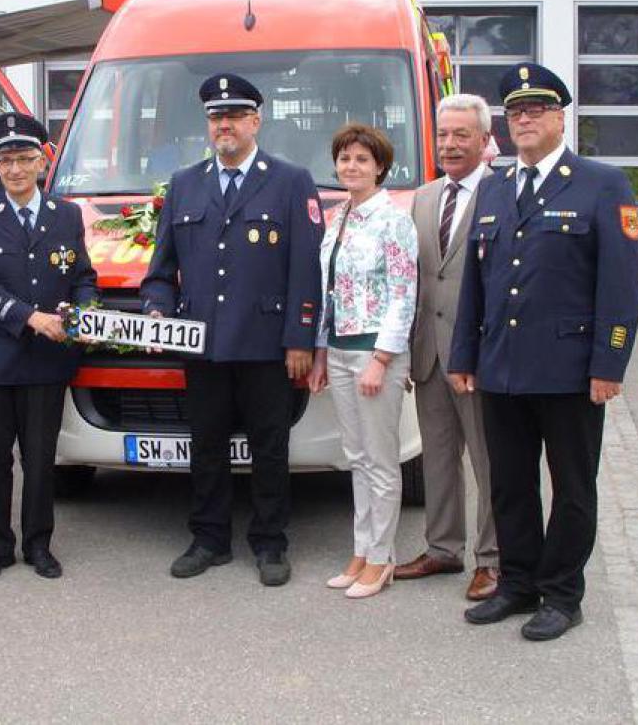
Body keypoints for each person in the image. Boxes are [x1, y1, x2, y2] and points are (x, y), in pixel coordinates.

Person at [449, 63, 638, 641]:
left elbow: (620, 285)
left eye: (536, 109)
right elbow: (475, 283)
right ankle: (518, 583)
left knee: (572, 488)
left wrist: (609, 363)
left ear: (561, 118)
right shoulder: (495, 186)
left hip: (569, 371)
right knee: (508, 483)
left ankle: (561, 594)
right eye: (515, 111)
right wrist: (464, 355)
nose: (524, 119)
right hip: (502, 367)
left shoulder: (601, 184)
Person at [141, 73, 323, 587]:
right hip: (202, 345)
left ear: (256, 121)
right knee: (206, 446)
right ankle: (209, 539)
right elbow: (161, 270)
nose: (225, 125)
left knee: (270, 448)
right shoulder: (184, 183)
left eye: (236, 116)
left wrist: (299, 338)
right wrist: (158, 312)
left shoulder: (290, 181)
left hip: (266, 344)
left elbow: (305, 267)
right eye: (217, 117)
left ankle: (270, 542)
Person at [0, 112, 97, 583]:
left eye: (24, 159)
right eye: (6, 161)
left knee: (40, 461)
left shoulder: (67, 214)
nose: (16, 169)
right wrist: (30, 318)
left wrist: (85, 312)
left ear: (42, 161)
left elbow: (82, 275)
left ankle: (39, 544)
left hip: (47, 361)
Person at [395, 95, 499, 601]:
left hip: (478, 355)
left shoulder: (503, 192)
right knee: (437, 456)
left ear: (484, 139)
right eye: (443, 134)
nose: (450, 144)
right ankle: (442, 548)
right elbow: (417, 277)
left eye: (462, 134)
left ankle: (493, 560)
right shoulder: (424, 197)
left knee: (489, 460)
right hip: (429, 353)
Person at [307, 123, 417, 599]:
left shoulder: (394, 220)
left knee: (380, 461)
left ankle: (382, 557)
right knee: (356, 457)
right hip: (339, 350)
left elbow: (404, 293)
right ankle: (361, 549)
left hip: (376, 354)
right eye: (345, 159)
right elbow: (327, 293)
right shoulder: (337, 218)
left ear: (380, 167)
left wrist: (382, 359)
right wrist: (320, 353)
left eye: (361, 160)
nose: (351, 167)